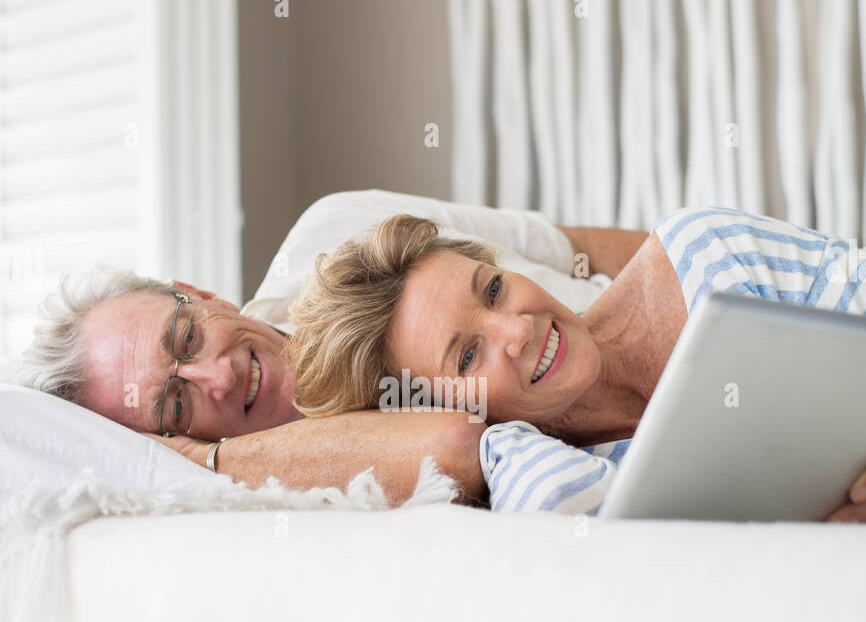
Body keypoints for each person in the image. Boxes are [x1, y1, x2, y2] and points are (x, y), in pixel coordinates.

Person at [16, 190, 637, 504]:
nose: (217, 376)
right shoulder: (304, 490)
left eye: (186, 338)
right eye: (176, 405)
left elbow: (582, 249)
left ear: (202, 295)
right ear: (167, 442)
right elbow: (454, 444)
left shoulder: (336, 228)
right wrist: (206, 464)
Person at [287, 205, 866, 522]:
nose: (519, 329)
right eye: (467, 355)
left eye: (492, 290)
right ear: (433, 411)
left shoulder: (704, 253)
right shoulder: (537, 471)